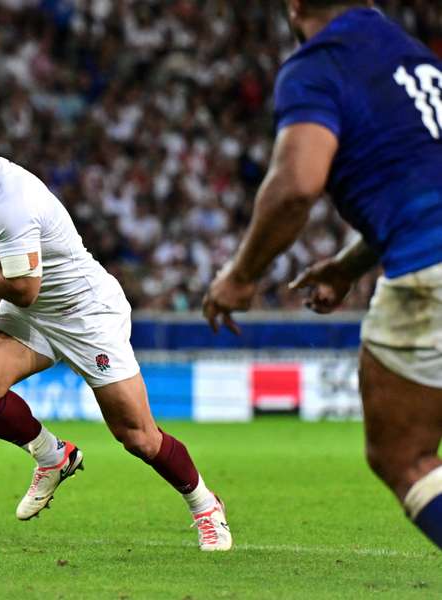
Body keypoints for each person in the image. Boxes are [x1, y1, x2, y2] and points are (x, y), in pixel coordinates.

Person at [0, 93, 232, 551]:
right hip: (31, 310)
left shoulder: (10, 199)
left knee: (137, 437)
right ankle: (53, 457)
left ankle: (206, 506)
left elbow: (22, 287)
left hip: (83, 313)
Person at [203, 0, 442, 550]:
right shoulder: (416, 59)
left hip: (429, 263)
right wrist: (348, 264)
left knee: (403, 456)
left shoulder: (320, 64)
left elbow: (296, 185)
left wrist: (241, 276)